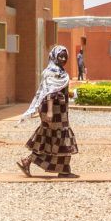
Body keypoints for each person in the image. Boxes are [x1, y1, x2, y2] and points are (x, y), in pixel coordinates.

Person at [17, 45, 79, 178]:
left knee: (50, 138)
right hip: (54, 111)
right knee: (61, 138)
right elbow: (50, 93)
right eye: (60, 56)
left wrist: (70, 94)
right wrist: (50, 111)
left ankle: (29, 161)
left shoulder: (59, 71)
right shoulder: (53, 71)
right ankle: (63, 171)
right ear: (54, 56)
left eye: (65, 56)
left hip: (59, 112)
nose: (63, 59)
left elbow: (57, 89)